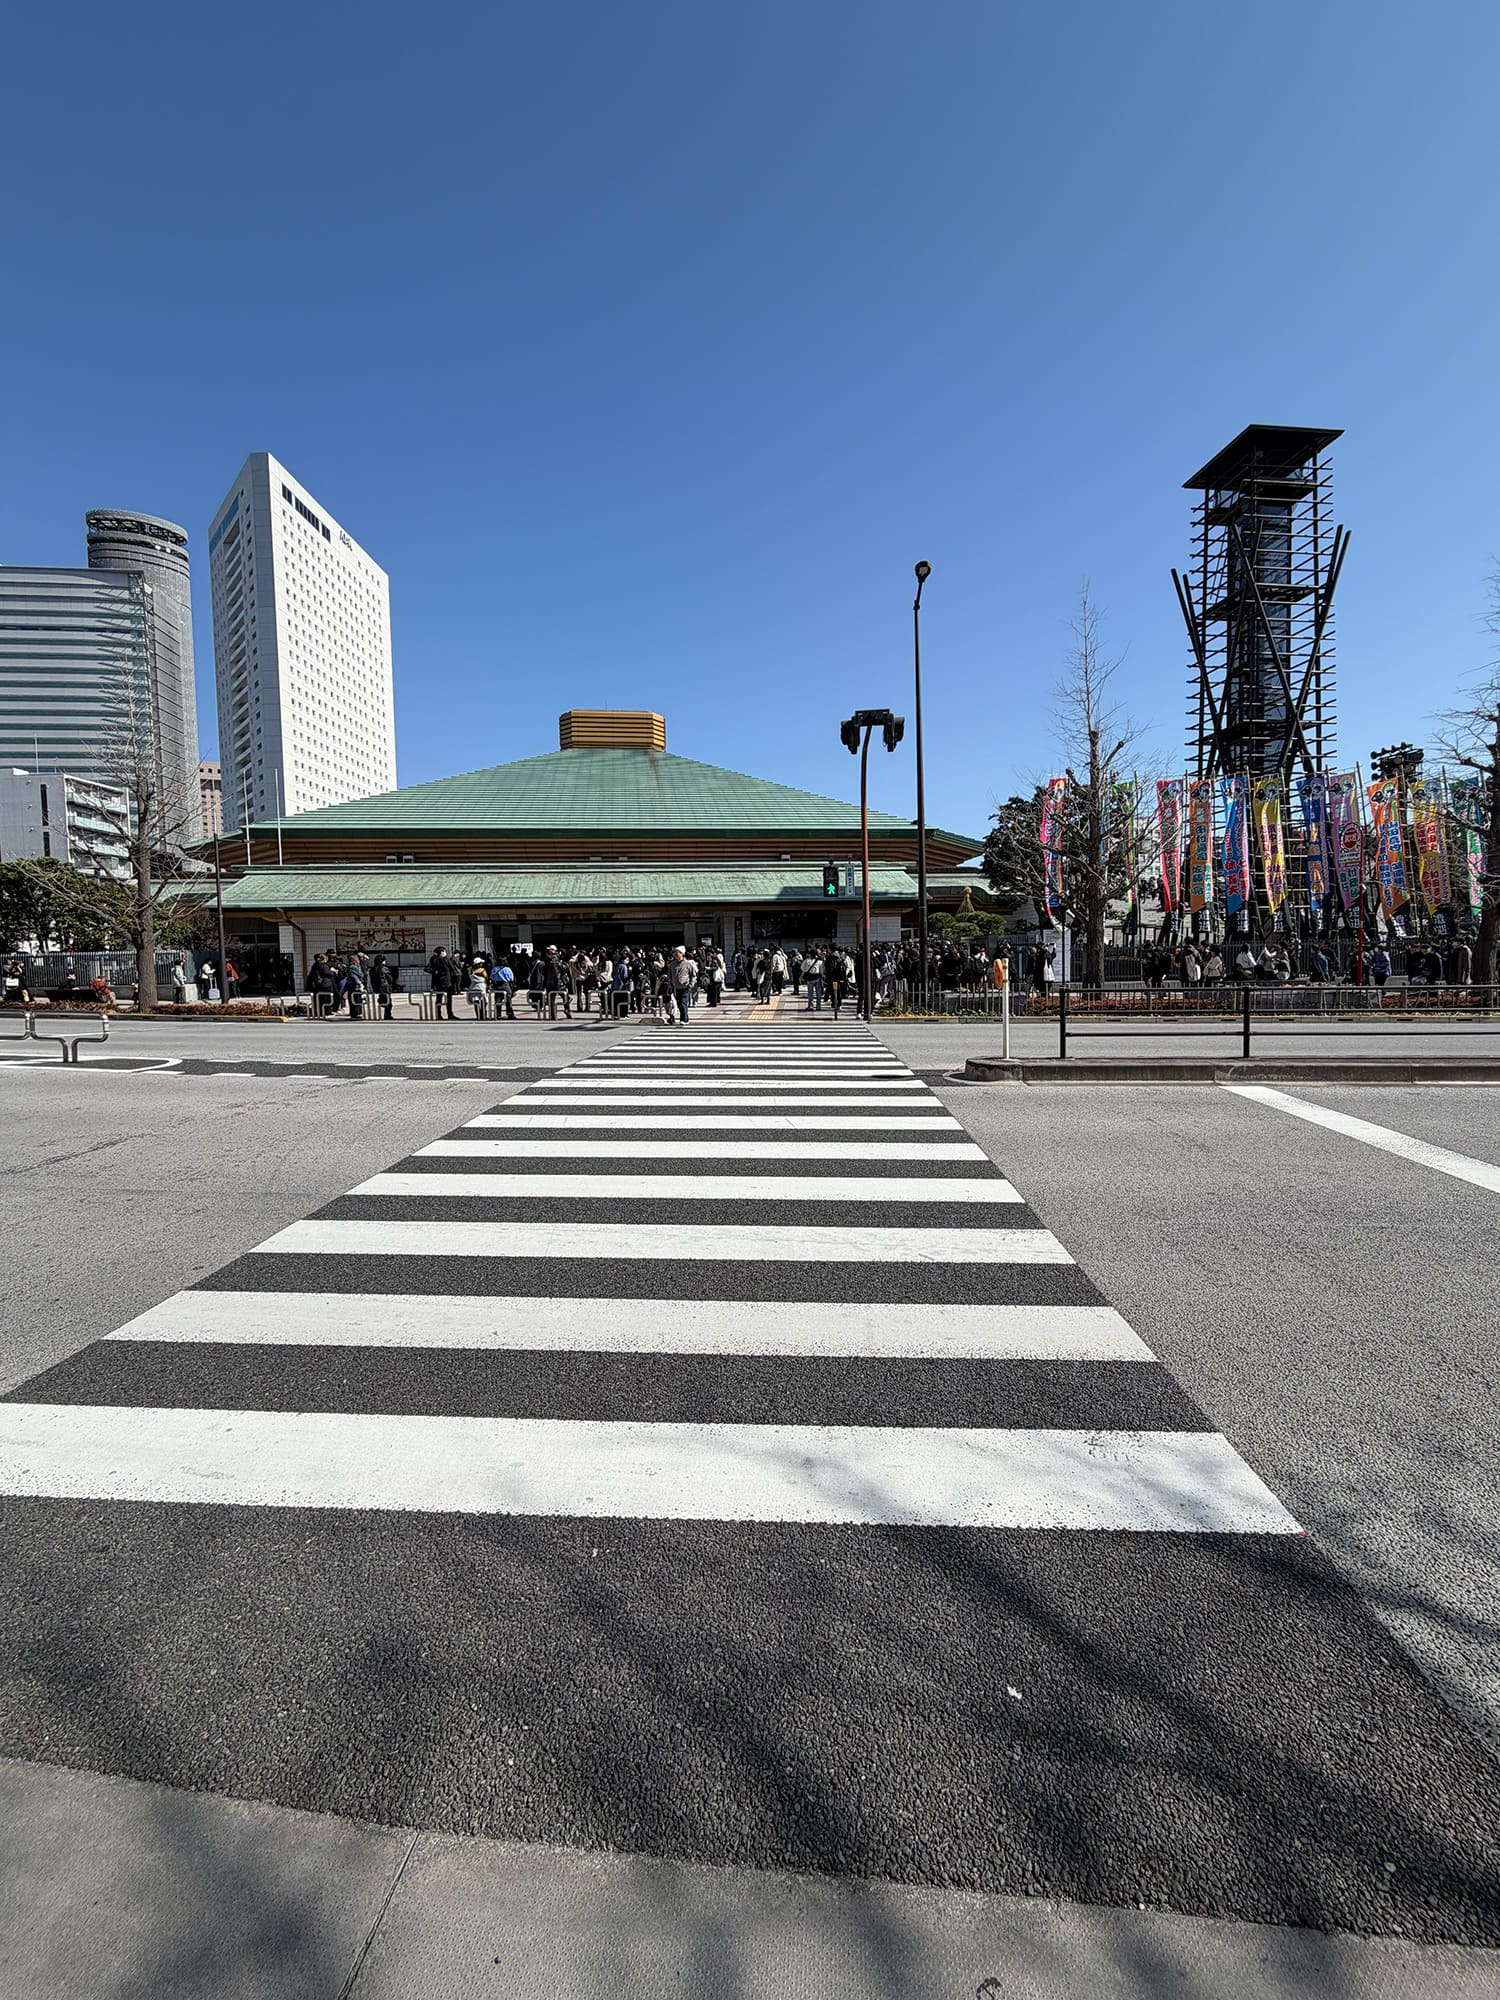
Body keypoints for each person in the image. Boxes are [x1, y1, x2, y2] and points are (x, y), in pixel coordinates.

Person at [427, 946, 458, 1020]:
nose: (445, 953)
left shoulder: (433, 959)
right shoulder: (446, 960)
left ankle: (439, 1015)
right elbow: (453, 969)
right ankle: (450, 1014)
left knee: (439, 999)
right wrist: (455, 982)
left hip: (438, 983)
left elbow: (427, 968)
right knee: (449, 1000)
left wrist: (434, 972)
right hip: (447, 982)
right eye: (444, 951)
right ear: (442, 952)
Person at [371, 953, 395, 1020]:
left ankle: (385, 1014)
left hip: (377, 988)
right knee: (388, 1003)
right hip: (385, 987)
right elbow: (390, 978)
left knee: (384, 1000)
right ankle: (387, 1015)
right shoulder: (384, 968)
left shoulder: (373, 969)